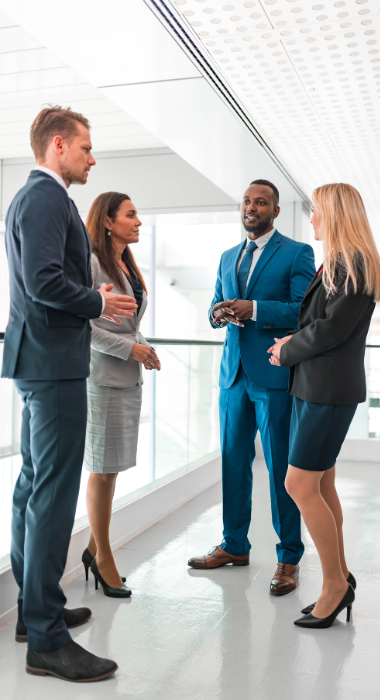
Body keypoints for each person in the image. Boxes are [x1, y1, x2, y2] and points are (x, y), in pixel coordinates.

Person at [1, 106, 138, 682]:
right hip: (52, 364)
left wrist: (88, 293)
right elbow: (42, 282)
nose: (92, 157)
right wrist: (98, 300)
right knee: (53, 496)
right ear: (59, 146)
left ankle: (36, 616)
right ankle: (47, 640)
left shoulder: (34, 198)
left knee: (35, 483)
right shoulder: (46, 198)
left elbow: (43, 280)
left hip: (41, 359)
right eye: (85, 148)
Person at [188, 180, 316, 596]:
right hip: (232, 377)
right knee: (232, 462)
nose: (251, 207)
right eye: (246, 201)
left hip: (274, 376)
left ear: (276, 210)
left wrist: (256, 309)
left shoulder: (297, 253)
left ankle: (289, 556)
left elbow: (302, 311)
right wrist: (218, 312)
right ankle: (234, 546)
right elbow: (215, 307)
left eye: (260, 202)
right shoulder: (228, 256)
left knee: (281, 468)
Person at [269, 183, 380, 628]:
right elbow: (319, 324)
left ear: (333, 214)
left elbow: (332, 332)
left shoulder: (353, 262)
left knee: (299, 485)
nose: (311, 218)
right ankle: (341, 577)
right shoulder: (339, 261)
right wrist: (293, 342)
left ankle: (334, 586)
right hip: (314, 386)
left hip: (326, 391)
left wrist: (286, 351)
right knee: (322, 484)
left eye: (316, 211)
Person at [81, 192, 160, 597]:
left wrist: (142, 347)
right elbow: (86, 327)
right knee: (102, 469)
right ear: (108, 221)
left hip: (126, 377)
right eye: (131, 215)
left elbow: (126, 323)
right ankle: (104, 559)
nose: (139, 222)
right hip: (103, 379)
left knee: (111, 468)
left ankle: (93, 550)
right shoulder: (92, 263)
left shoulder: (125, 263)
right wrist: (133, 349)